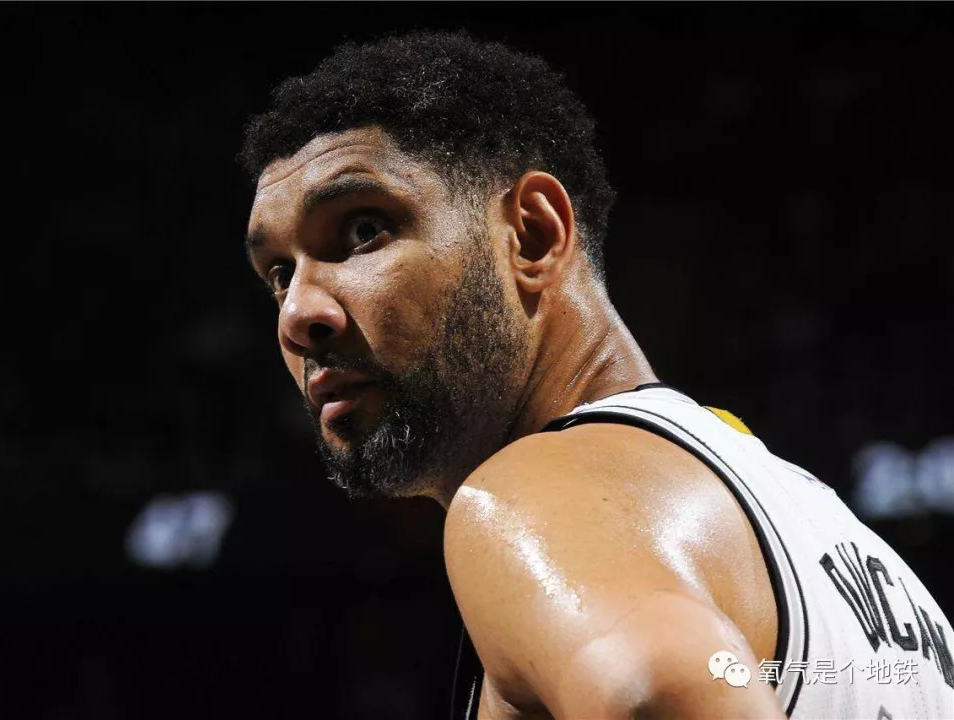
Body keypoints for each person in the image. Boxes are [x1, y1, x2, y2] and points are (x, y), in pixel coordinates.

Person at [240, 32, 953, 719]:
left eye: (363, 230)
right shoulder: (840, 538)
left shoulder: (532, 500)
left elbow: (657, 697)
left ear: (533, 235)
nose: (297, 314)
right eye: (278, 273)